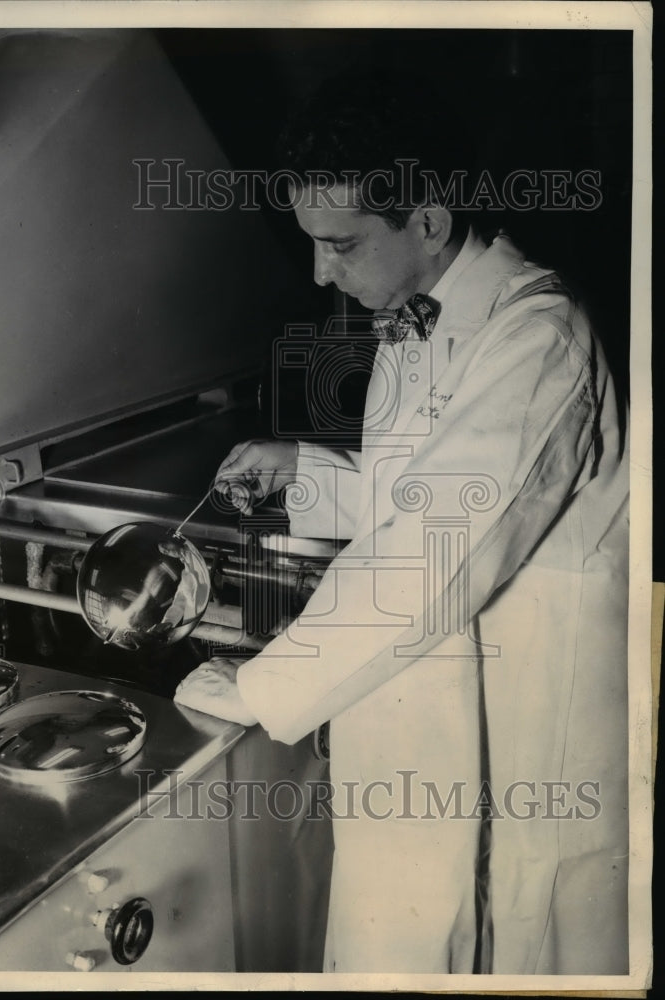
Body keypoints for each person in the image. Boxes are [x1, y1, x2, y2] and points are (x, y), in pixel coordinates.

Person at [174, 72, 629, 975]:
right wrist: (308, 473)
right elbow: (420, 493)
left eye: (340, 244)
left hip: (528, 740)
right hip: (432, 710)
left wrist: (266, 686)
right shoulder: (419, 319)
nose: (318, 272)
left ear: (426, 221)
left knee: (521, 945)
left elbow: (439, 550)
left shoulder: (538, 336)